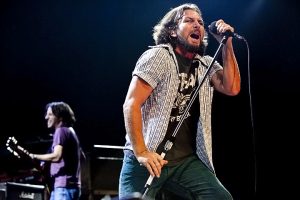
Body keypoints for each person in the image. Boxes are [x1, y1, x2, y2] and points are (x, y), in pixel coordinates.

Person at [119, 3, 240, 200]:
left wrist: (226, 43)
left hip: (184, 161)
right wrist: (141, 151)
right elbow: (131, 104)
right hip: (147, 158)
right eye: (189, 20)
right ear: (173, 31)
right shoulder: (158, 56)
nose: (197, 25)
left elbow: (231, 87)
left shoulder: (205, 64)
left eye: (200, 22)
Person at [28, 101, 82, 200]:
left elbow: (57, 156)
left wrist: (33, 156)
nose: (46, 117)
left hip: (63, 188)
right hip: (71, 187)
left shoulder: (60, 131)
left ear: (60, 117)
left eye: (50, 114)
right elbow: (82, 157)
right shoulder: (70, 131)